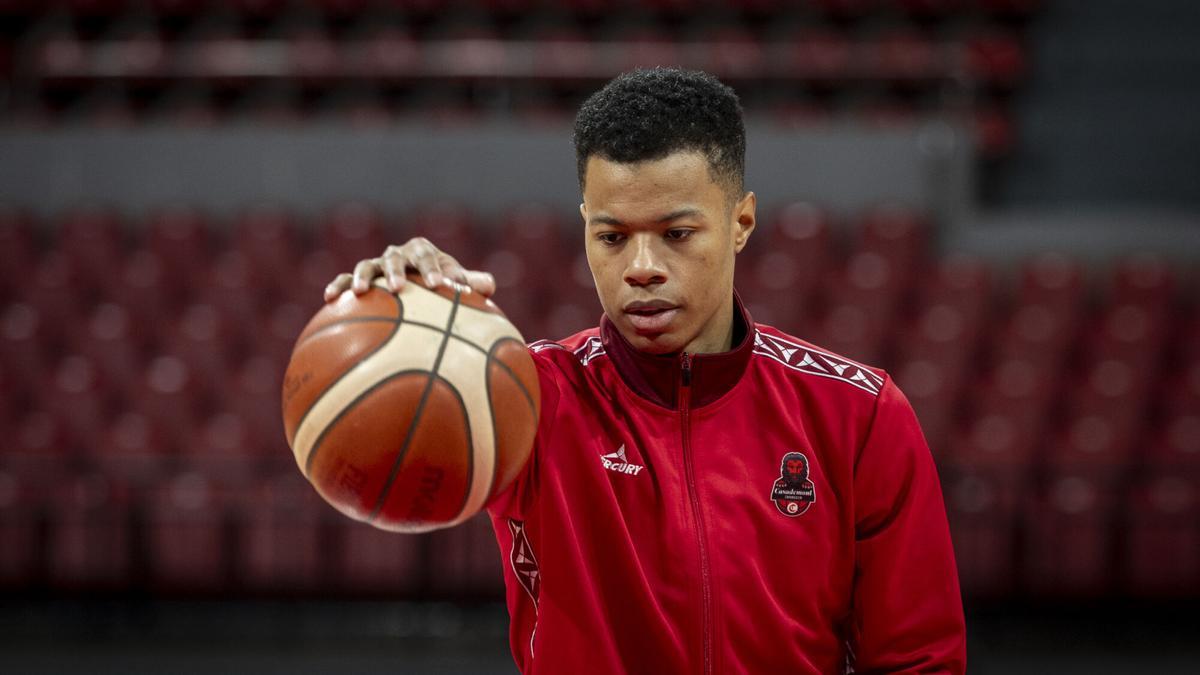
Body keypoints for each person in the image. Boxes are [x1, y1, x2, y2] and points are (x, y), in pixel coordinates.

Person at [324, 67, 966, 674]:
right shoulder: (528, 399)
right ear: (585, 227)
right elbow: (394, 460)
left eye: (676, 234)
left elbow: (919, 661)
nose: (641, 268)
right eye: (612, 237)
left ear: (741, 222)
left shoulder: (859, 414)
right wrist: (405, 321)